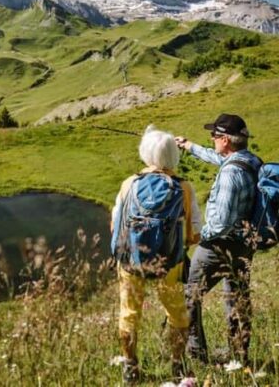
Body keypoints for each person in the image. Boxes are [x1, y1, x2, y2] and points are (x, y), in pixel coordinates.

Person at [111, 125, 201, 383]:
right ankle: (177, 363)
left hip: (130, 260)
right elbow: (195, 233)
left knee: (128, 313)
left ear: (145, 153)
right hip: (169, 261)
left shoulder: (129, 183)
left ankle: (130, 367)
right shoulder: (184, 187)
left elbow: (115, 223)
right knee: (177, 313)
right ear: (174, 155)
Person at [175, 113, 262, 366]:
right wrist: (189, 146)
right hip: (245, 244)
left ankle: (198, 356)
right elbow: (219, 159)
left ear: (225, 139)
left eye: (214, 135)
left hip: (218, 246)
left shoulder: (229, 175)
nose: (211, 139)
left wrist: (199, 236)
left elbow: (221, 222)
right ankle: (239, 356)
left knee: (189, 296)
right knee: (237, 299)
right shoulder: (250, 161)